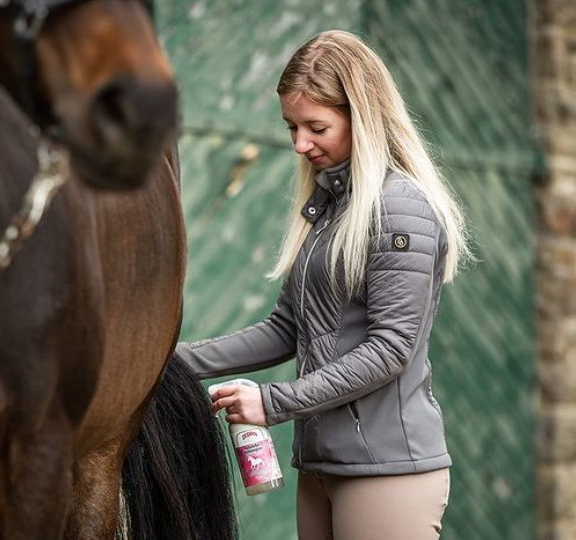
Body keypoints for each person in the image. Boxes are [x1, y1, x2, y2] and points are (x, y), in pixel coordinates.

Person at [174, 30, 472, 540]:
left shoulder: (400, 208)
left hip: (387, 471)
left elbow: (391, 349)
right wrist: (168, 362)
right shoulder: (331, 211)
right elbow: (285, 330)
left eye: (317, 127)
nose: (299, 144)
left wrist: (272, 403)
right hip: (321, 465)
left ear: (364, 117)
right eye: (292, 126)